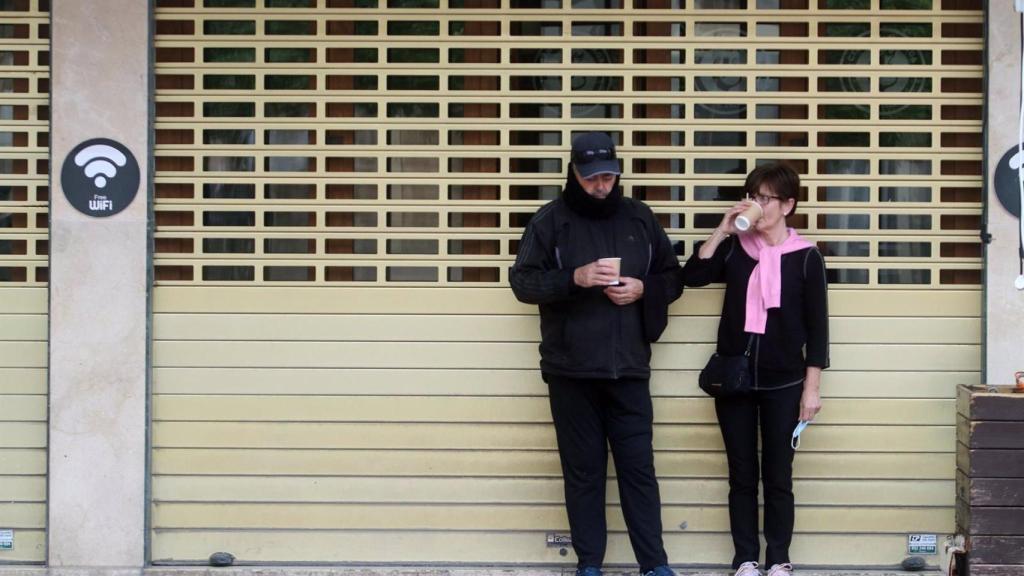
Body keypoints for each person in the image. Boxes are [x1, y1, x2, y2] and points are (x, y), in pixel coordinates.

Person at [509, 132, 683, 576]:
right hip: (570, 371)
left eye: (608, 176)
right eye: (592, 179)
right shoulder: (550, 221)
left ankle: (655, 565)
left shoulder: (639, 218)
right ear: (573, 173)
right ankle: (589, 565)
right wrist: (575, 278)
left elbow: (672, 277)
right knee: (583, 474)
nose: (602, 186)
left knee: (638, 472)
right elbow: (522, 282)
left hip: (628, 368)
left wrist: (645, 289)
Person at [681, 162, 829, 576]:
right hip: (736, 379)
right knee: (741, 475)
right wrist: (722, 230)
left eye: (765, 197)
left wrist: (811, 390)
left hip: (785, 382)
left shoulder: (806, 257)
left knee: (778, 477)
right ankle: (745, 558)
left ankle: (778, 558)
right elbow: (692, 276)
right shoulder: (734, 249)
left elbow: (818, 331)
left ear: (787, 205)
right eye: (753, 195)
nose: (757, 204)